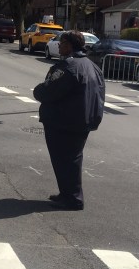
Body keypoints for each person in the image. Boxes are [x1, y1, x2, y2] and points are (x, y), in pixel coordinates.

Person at [33, 30, 104, 211]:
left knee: (64, 159)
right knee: (71, 158)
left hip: (63, 121)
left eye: (62, 42)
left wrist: (38, 91)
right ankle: (67, 193)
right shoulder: (91, 65)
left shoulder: (68, 67)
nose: (59, 45)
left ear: (71, 45)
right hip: (84, 119)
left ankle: (72, 198)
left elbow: (48, 91)